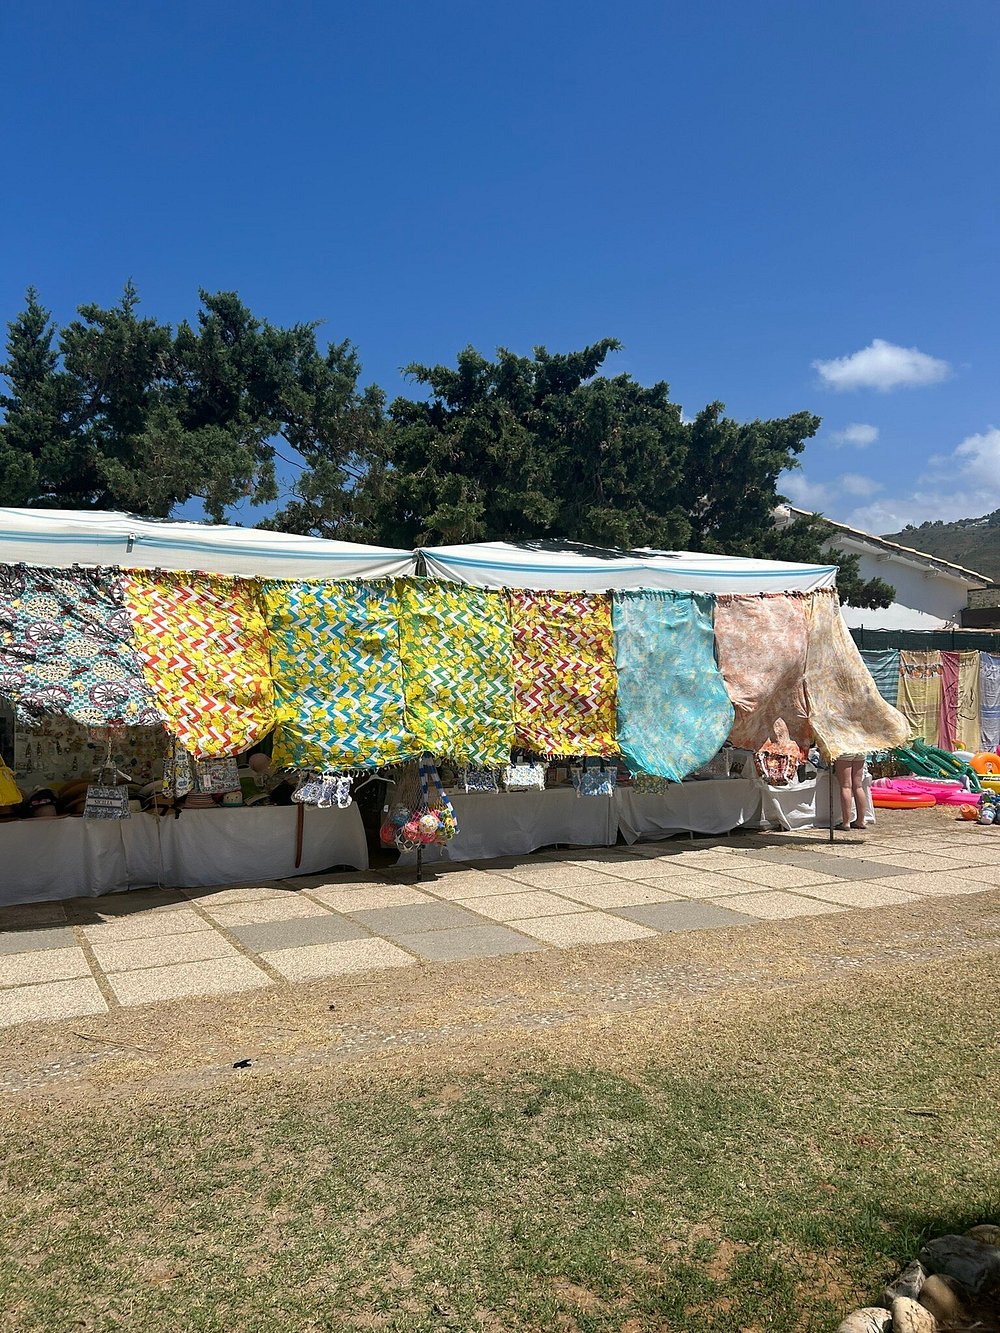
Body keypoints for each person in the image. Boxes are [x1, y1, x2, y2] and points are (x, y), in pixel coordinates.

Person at [835, 754, 868, 831]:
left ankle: (846, 823)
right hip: (860, 750)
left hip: (845, 751)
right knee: (858, 786)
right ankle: (861, 821)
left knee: (846, 786)